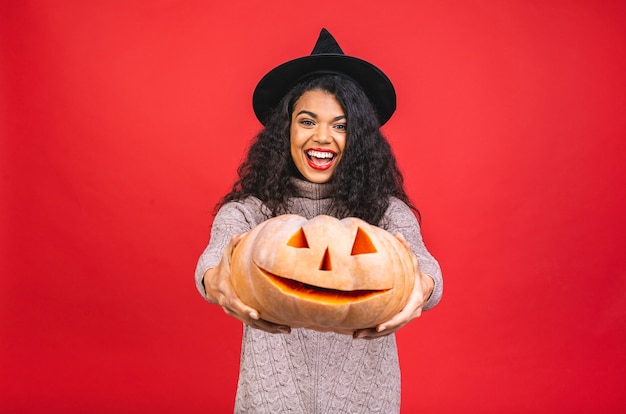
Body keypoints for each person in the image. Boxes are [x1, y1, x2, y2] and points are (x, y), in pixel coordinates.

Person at [195, 28, 443, 413]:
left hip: (364, 402)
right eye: (308, 121)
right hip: (270, 402)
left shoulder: (386, 212)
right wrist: (219, 284)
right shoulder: (249, 212)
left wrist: (419, 292)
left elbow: (426, 270)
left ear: (358, 138)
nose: (323, 137)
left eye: (340, 125)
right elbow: (213, 263)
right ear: (286, 129)